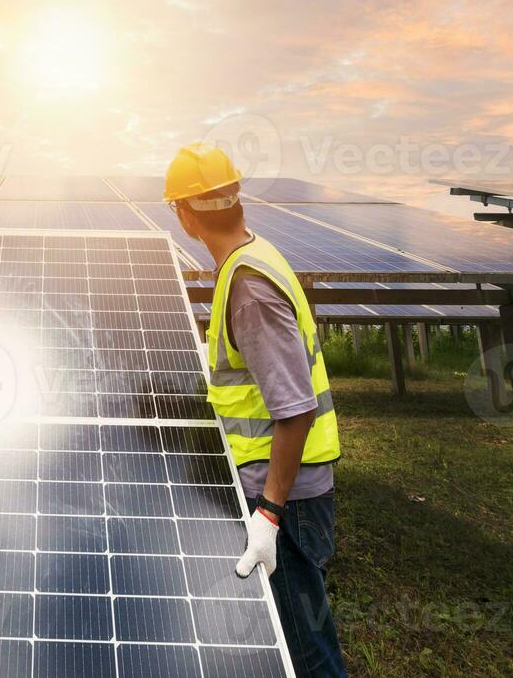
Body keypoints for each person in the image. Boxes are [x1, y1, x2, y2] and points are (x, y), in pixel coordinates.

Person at [165, 144, 348, 678]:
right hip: (284, 483)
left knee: (303, 650)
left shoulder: (247, 287)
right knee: (289, 637)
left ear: (185, 214)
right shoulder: (252, 256)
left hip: (283, 496)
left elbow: (295, 409)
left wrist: (268, 513)